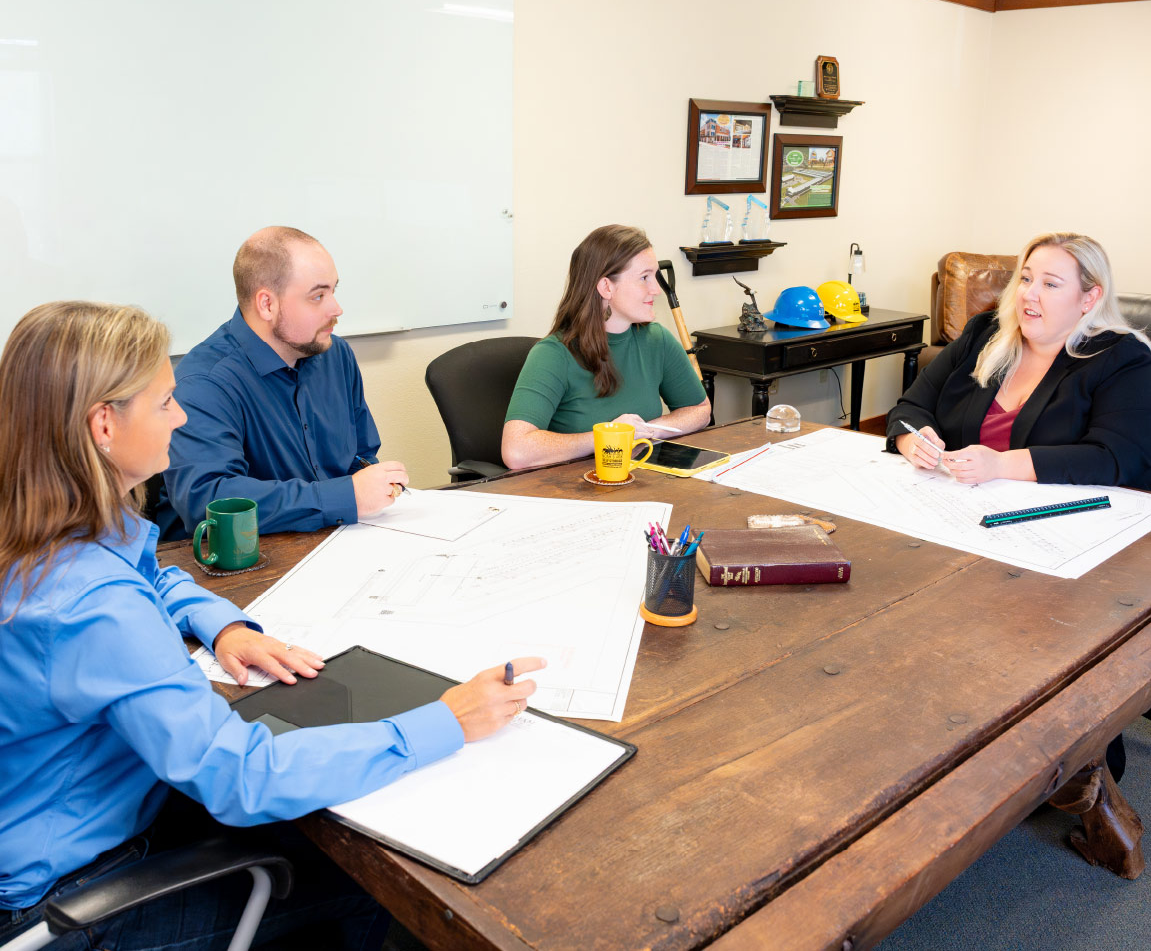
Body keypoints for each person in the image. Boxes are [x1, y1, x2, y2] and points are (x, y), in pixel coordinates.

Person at [0, 301, 544, 949]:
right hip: (71, 902)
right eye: (165, 402)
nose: (181, 417)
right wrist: (447, 720)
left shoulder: (41, 525)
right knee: (376, 884)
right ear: (103, 425)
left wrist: (224, 626)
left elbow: (152, 575)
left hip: (77, 819)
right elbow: (241, 776)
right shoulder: (94, 604)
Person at [157, 226, 408, 539]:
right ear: (267, 304)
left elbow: (361, 454)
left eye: (334, 291)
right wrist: (346, 496)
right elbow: (210, 501)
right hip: (239, 556)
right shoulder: (204, 383)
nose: (336, 309)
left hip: (336, 539)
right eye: (318, 296)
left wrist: (371, 484)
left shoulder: (336, 355)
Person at [887, 231, 1151, 492]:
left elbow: (1117, 457)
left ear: (1089, 299)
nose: (1029, 294)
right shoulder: (983, 334)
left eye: (1050, 284)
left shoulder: (1123, 358)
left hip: (1092, 515)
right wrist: (913, 442)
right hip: (969, 502)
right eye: (1026, 279)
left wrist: (999, 465)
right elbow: (911, 407)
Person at [501, 224, 711, 470]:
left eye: (654, 276)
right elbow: (516, 451)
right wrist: (611, 436)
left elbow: (700, 410)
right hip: (574, 485)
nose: (656, 289)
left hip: (638, 479)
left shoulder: (657, 340)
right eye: (644, 278)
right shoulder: (553, 354)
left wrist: (647, 430)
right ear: (606, 287)